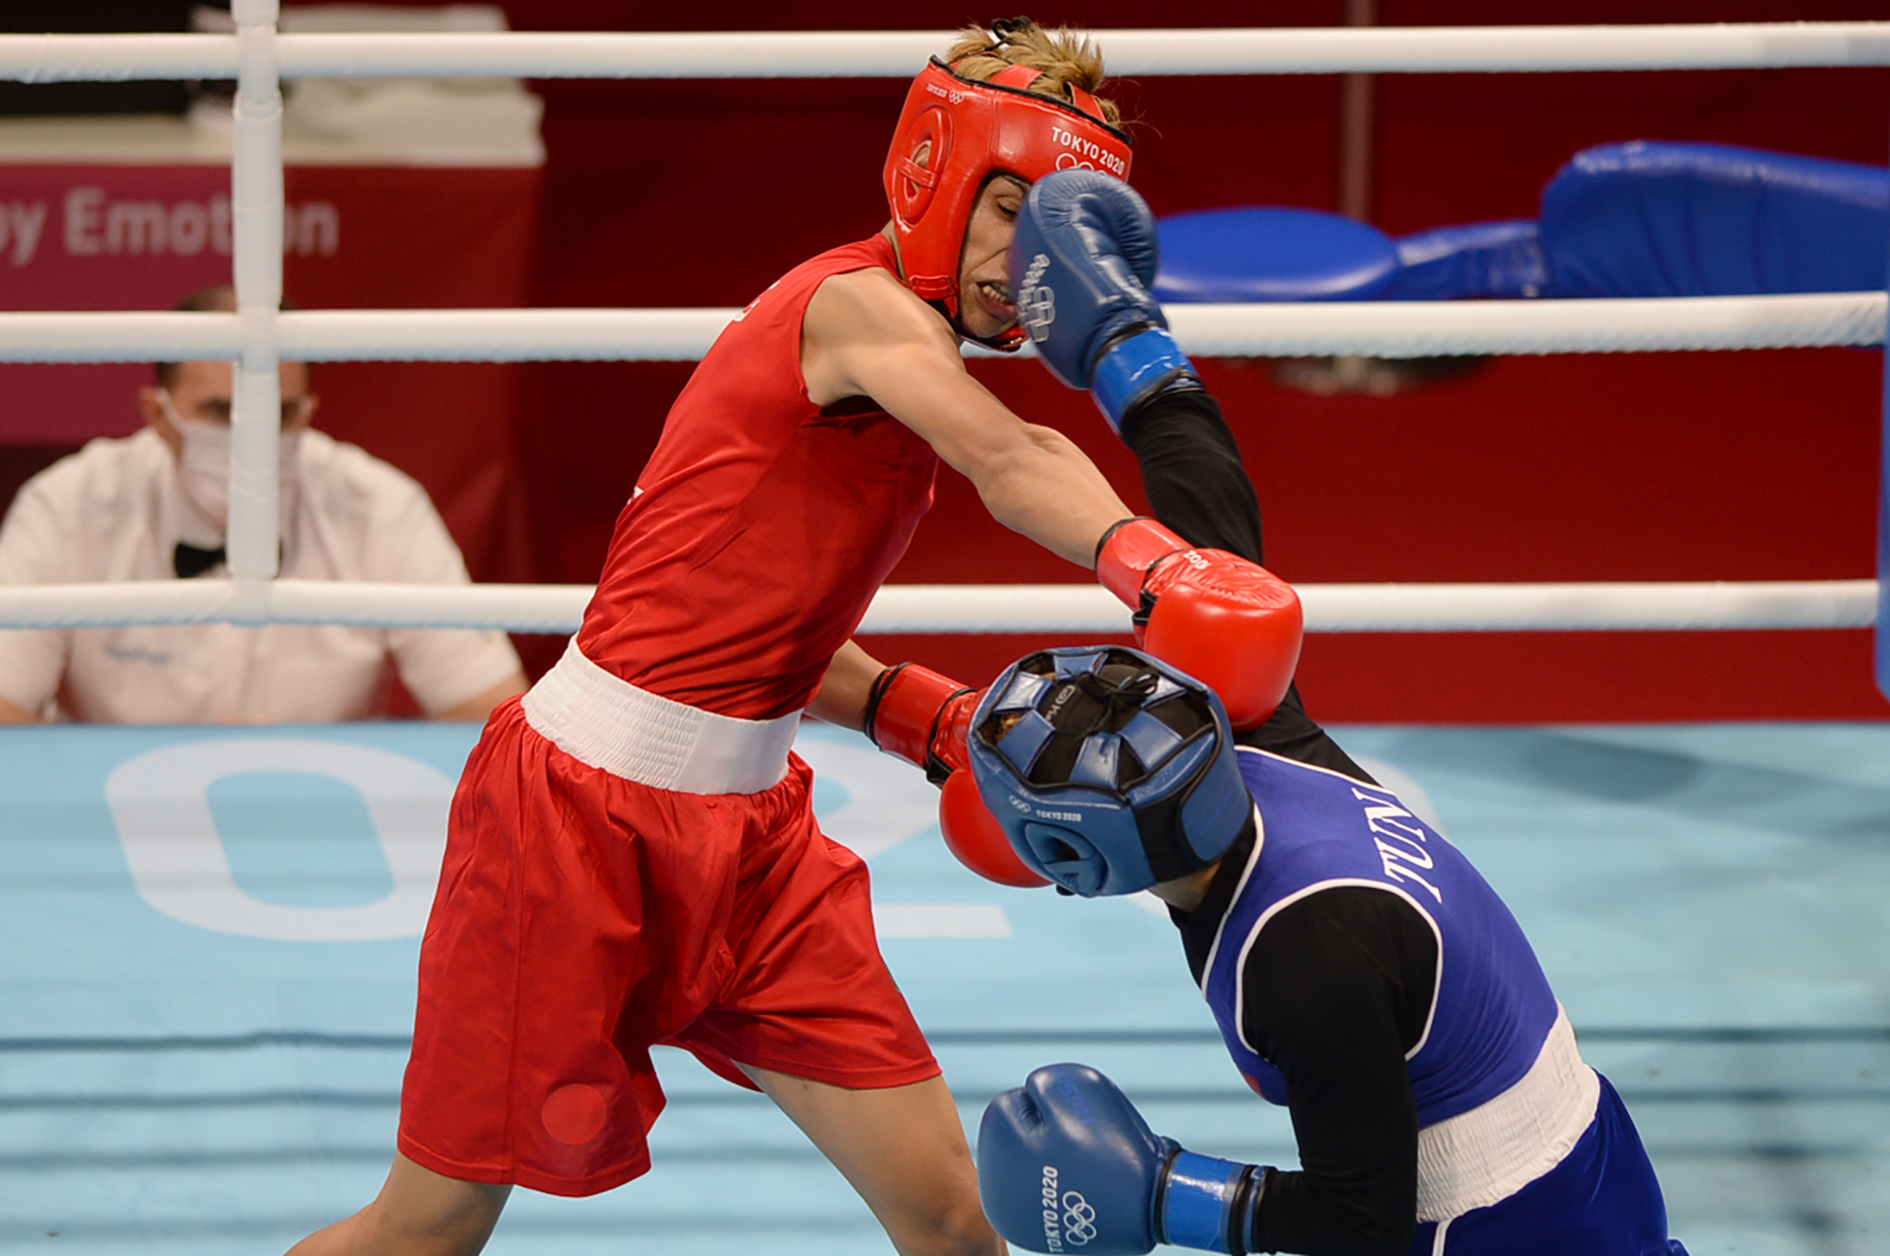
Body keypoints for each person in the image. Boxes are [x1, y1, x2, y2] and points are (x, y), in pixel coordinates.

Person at [287, 20, 1293, 1256]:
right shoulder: (856, 311)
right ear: (932, 173)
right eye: (1004, 209)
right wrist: (1158, 563)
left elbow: (756, 629)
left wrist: (923, 715)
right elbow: (1012, 453)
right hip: (570, 830)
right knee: (427, 1229)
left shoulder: (895, 356)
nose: (1018, 260)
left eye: (1052, 230)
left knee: (956, 1218)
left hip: (756, 855)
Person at [853, 170, 1689, 1255]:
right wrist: (1120, 339)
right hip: (1586, 1146)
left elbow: (1361, 1221)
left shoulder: (1301, 960)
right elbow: (1206, 496)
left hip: (1497, 1227)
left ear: (1082, 863)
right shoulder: (1249, 725)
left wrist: (1162, 1194)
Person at [0, 285, 527, 724]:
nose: (249, 438)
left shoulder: (380, 507)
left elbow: (485, 707)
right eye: (220, 411)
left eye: (275, 413)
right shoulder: (67, 507)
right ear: (158, 415)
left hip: (327, 820)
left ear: (306, 415)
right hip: (109, 819)